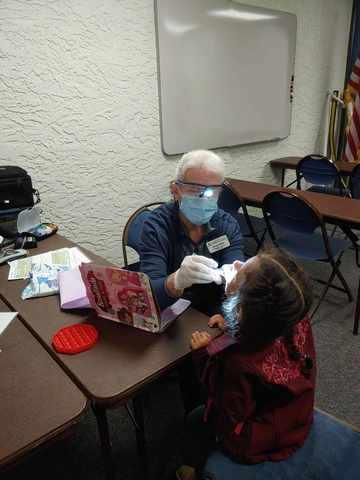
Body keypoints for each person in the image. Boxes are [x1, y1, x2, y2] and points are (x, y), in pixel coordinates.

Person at [176, 248, 315, 480]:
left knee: (195, 420)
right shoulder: (292, 316)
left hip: (259, 441)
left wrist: (202, 355)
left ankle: (199, 473)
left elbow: (232, 410)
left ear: (240, 312)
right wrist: (233, 327)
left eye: (241, 272)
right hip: (294, 417)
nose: (237, 264)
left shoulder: (242, 362)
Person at [139, 149, 245, 317]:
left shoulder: (227, 225)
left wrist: (233, 280)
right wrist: (177, 281)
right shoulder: (156, 225)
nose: (203, 197)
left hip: (213, 309)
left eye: (211, 191)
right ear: (176, 190)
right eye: (194, 189)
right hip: (169, 307)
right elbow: (149, 295)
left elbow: (238, 289)